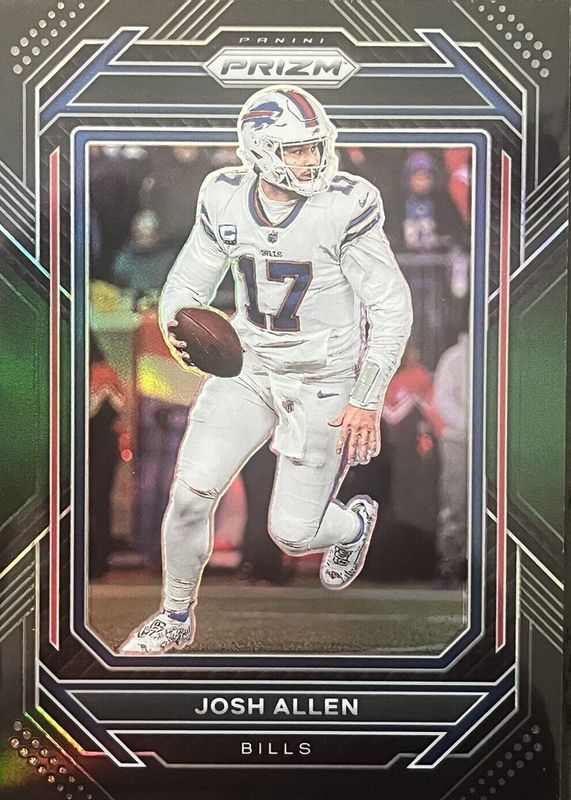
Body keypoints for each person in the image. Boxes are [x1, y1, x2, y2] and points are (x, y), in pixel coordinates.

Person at [120, 85, 413, 654]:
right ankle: (174, 617)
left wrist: (367, 397)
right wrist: (179, 328)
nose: (313, 159)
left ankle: (352, 524)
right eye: (298, 149)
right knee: (189, 496)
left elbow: (392, 306)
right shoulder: (224, 195)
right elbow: (186, 283)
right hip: (250, 369)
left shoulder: (344, 204)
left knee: (294, 534)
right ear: (258, 150)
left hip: (323, 377)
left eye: (316, 146)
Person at [432, 332, 469, 587]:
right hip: (459, 441)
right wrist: (468, 424)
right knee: (455, 502)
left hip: (495, 441)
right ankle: (451, 565)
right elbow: (442, 397)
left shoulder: (501, 350)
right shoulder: (455, 356)